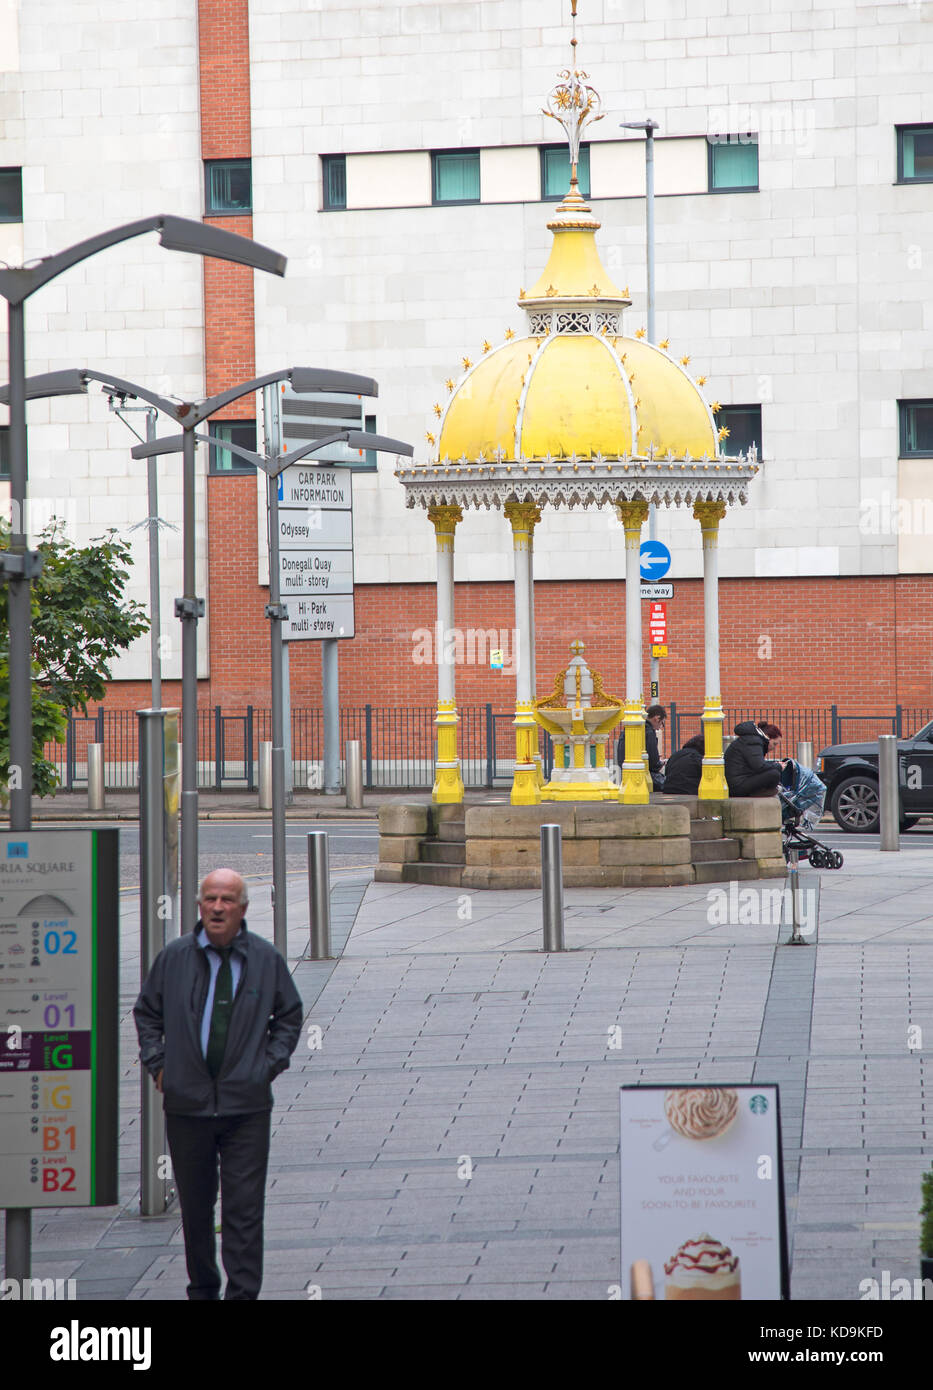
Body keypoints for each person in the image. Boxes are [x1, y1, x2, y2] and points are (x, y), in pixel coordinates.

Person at [134, 868, 303, 1300]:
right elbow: (147, 1013)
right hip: (187, 1106)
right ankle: (203, 1288)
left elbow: (289, 1015)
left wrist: (266, 1066)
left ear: (243, 909)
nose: (217, 907)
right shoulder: (174, 958)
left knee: (244, 1211)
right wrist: (159, 1065)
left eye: (227, 899)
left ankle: (243, 1294)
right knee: (195, 1209)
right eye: (210, 898)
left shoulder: (265, 960)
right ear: (198, 905)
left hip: (246, 1108)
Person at [724, 720, 785, 797]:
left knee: (773, 771)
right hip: (736, 787)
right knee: (774, 774)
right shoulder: (753, 741)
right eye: (774, 744)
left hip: (735, 783)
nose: (774, 748)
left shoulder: (751, 739)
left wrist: (774, 764)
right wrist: (778, 766)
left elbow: (756, 765)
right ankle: (762, 792)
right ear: (767, 737)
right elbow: (759, 766)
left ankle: (763, 791)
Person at [616, 704, 667, 790]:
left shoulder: (628, 730)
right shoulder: (649, 732)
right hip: (643, 775)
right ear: (657, 718)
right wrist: (661, 764)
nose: (659, 728)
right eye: (662, 723)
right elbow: (653, 761)